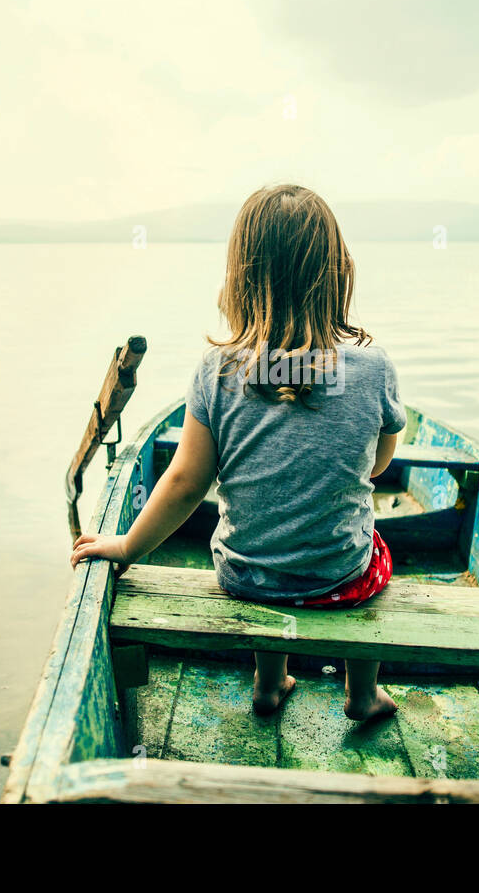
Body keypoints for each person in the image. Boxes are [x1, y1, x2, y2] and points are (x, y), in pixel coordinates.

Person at [72, 184, 406, 722]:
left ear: (242, 275)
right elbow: (377, 465)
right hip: (339, 575)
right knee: (373, 546)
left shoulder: (217, 370)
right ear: (338, 272)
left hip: (244, 575)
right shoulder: (373, 368)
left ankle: (269, 684)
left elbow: (184, 483)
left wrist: (128, 547)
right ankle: (362, 695)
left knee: (265, 534)